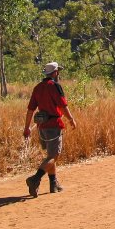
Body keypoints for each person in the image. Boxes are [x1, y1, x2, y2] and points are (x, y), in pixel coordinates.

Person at [23, 61, 76, 197]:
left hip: (42, 127)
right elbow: (63, 106)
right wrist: (71, 119)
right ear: (55, 72)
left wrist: (27, 127)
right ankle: (35, 179)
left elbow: (30, 109)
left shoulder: (38, 88)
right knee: (54, 156)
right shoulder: (55, 87)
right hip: (54, 125)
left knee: (50, 155)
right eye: (58, 71)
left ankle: (54, 184)